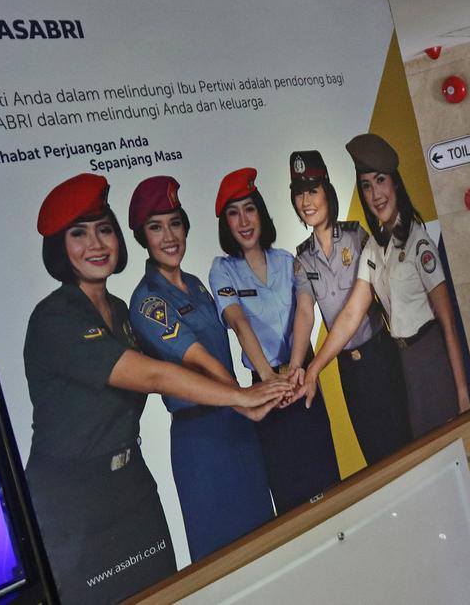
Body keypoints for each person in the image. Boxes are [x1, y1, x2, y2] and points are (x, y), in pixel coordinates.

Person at [23, 173, 290, 603]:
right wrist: (244, 395)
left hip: (136, 478)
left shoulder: (122, 311)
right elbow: (156, 373)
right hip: (77, 495)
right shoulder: (63, 317)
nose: (95, 244)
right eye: (79, 234)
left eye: (103, 230)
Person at [126, 176, 277, 561]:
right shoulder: (147, 301)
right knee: (224, 557)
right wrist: (243, 398)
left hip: (238, 428)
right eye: (155, 227)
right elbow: (198, 358)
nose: (169, 236)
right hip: (202, 440)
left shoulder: (196, 284)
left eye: (175, 223)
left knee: (267, 539)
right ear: (143, 237)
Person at [293, 134, 470, 439]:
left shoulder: (418, 241)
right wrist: (312, 370)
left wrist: (462, 391)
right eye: (366, 185)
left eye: (380, 181)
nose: (375, 194)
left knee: (450, 444)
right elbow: (350, 315)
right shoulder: (374, 249)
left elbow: (448, 322)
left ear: (395, 183)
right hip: (402, 363)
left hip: (430, 356)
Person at [209, 167, 342, 510]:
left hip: (302, 380)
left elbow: (303, 312)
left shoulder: (289, 261)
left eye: (249, 209)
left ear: (261, 213)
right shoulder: (223, 269)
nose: (243, 221)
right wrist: (269, 379)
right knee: (290, 494)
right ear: (226, 224)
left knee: (328, 483)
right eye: (233, 214)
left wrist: (295, 369)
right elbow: (238, 322)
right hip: (266, 391)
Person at [287, 150, 411, 465]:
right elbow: (304, 312)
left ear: (327, 192)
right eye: (300, 194)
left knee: (405, 444)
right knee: (375, 455)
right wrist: (295, 367)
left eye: (313, 191)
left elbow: (354, 312)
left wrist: (313, 368)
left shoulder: (357, 238)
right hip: (348, 368)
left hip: (381, 356)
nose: (307, 201)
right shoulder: (303, 258)